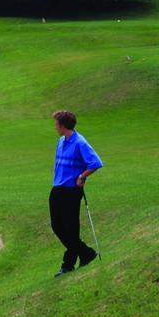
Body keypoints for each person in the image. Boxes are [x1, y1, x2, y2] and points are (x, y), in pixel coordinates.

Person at [49, 110, 102, 277]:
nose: (55, 126)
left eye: (56, 123)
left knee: (71, 228)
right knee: (57, 226)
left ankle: (68, 264)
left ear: (63, 125)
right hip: (57, 189)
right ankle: (85, 253)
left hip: (71, 191)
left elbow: (95, 162)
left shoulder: (80, 142)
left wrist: (82, 176)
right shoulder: (60, 141)